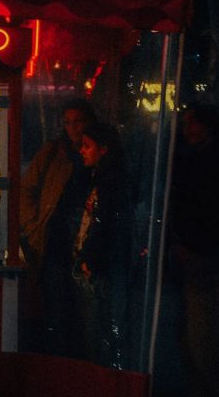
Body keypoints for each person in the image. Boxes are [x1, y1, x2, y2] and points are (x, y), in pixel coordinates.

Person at [168, 102, 219, 396]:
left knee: (203, 330)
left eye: (193, 123)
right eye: (186, 123)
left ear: (207, 127)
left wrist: (196, 245)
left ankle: (211, 386)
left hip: (202, 253)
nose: (187, 129)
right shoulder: (198, 158)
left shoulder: (217, 164)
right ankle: (203, 384)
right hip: (195, 250)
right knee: (195, 327)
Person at [19, 97, 97, 355]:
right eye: (68, 122)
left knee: (85, 314)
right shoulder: (54, 152)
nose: (73, 128)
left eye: (78, 122)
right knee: (58, 310)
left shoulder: (99, 154)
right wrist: (33, 226)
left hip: (87, 245)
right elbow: (26, 189)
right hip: (56, 241)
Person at [72, 122, 129, 368]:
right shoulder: (97, 178)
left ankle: (105, 377)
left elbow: (104, 225)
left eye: (87, 146)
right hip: (94, 263)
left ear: (103, 150)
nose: (82, 151)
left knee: (100, 329)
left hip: (100, 267)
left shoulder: (110, 183)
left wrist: (90, 259)